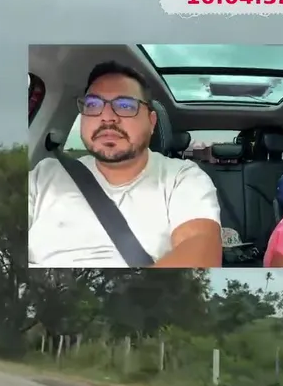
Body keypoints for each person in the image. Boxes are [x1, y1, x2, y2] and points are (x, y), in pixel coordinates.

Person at [29, 61, 222, 268]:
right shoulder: (44, 175)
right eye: (93, 105)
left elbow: (200, 246)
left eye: (125, 106)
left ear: (151, 122)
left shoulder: (182, 178)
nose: (107, 118)